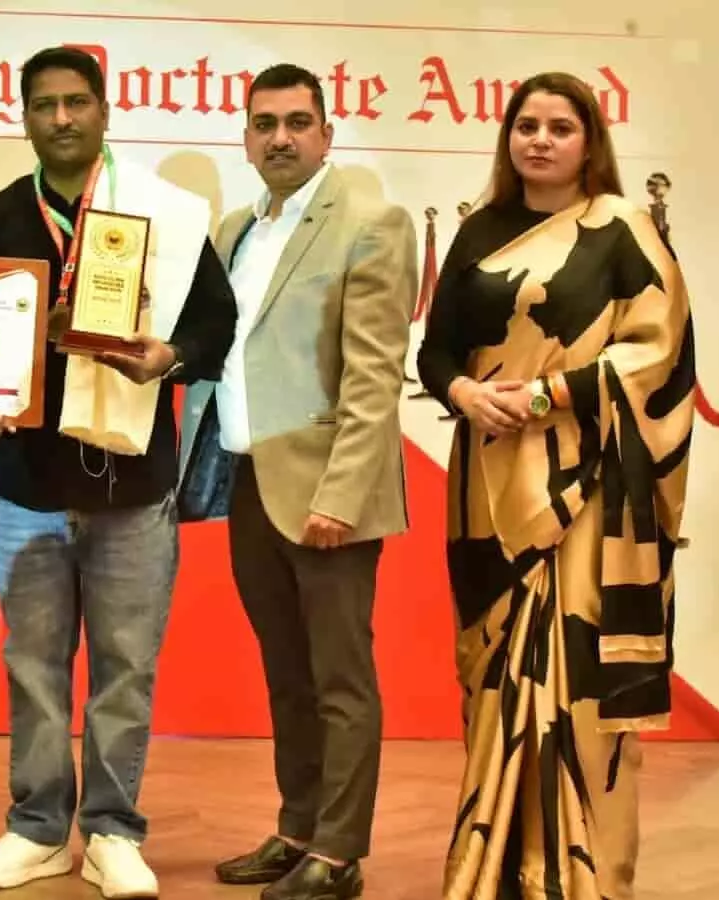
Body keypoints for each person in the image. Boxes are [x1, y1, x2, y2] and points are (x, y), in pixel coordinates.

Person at [0, 45, 236, 899]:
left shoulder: (165, 216)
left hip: (133, 484)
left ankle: (112, 831)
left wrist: (170, 358)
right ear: (24, 118)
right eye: (44, 105)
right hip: (28, 484)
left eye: (77, 102)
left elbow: (216, 324)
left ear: (105, 110)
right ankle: (38, 829)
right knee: (34, 668)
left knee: (125, 669)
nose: (62, 118)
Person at [415, 72, 695, 900]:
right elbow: (436, 349)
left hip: (583, 489)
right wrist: (464, 394)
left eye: (560, 127)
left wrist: (544, 397)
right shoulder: (479, 231)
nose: (539, 139)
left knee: (574, 676)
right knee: (492, 672)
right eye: (526, 125)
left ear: (589, 142)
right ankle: (496, 869)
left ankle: (576, 876)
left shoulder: (621, 229)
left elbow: (657, 352)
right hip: (485, 476)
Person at [177, 64, 417, 900]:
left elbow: (374, 377)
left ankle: (339, 855)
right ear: (246, 138)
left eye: (297, 122)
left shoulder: (372, 222)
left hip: (325, 494)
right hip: (248, 481)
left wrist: (340, 497)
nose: (280, 138)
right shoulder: (235, 228)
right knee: (288, 675)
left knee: (341, 682)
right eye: (264, 124)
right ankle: (298, 829)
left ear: (326, 133)